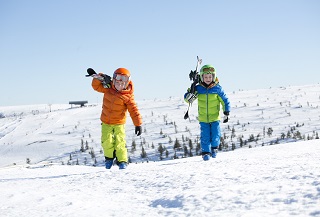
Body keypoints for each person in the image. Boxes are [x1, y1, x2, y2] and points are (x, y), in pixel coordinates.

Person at [91, 67, 142, 169]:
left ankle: (122, 161)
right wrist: (99, 77)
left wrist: (138, 124)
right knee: (106, 141)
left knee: (120, 142)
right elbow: (96, 87)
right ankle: (109, 158)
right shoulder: (108, 88)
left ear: (127, 83)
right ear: (113, 80)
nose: (119, 84)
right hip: (106, 122)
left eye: (123, 82)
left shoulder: (128, 96)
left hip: (119, 123)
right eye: (117, 81)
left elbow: (134, 111)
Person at [184, 64, 230, 161]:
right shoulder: (198, 88)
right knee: (205, 136)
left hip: (215, 118)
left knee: (215, 135)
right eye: (205, 77)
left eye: (210, 77)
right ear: (202, 77)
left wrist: (226, 112)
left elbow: (225, 100)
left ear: (213, 77)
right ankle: (205, 153)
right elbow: (189, 98)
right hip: (203, 118)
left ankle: (214, 148)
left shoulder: (217, 89)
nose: (208, 79)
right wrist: (189, 94)